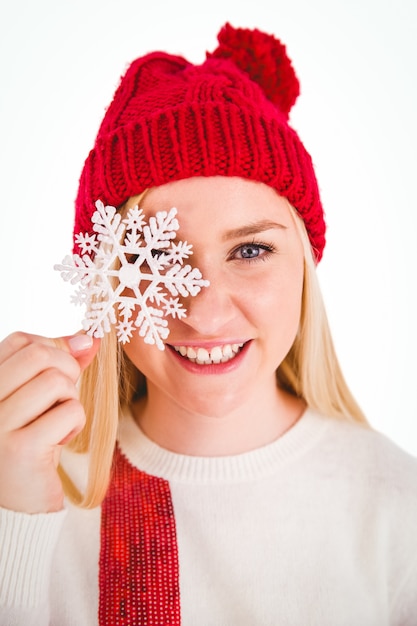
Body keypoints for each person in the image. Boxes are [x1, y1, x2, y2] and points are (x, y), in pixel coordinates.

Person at [0, 22, 416, 626]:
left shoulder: (397, 511)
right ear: (107, 278)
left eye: (250, 252)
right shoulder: (26, 491)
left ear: (305, 265)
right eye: (158, 257)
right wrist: (13, 521)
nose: (204, 313)